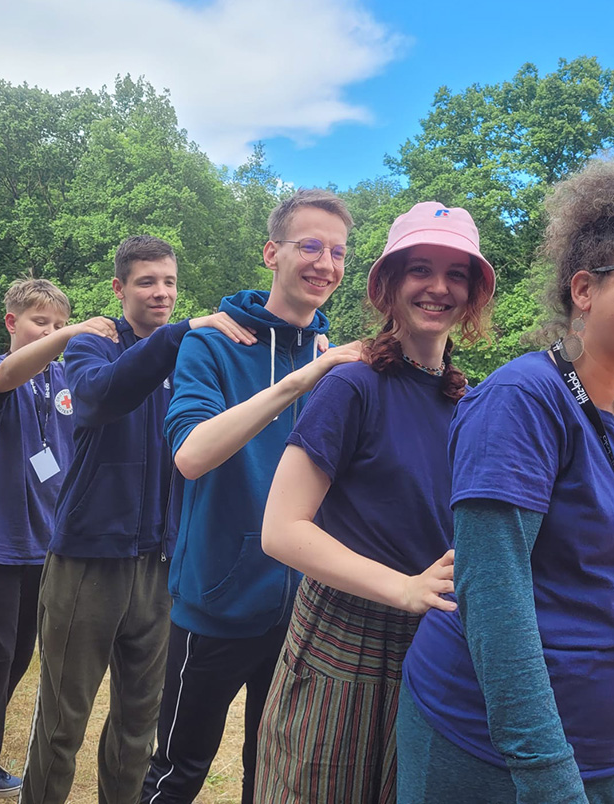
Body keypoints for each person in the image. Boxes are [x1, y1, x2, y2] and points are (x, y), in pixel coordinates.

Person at [398, 158, 614, 804]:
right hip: (489, 760)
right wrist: (550, 780)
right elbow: (494, 600)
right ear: (584, 289)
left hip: (608, 759)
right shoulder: (521, 402)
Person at [253, 201, 495, 803]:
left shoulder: (467, 401)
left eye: (457, 274)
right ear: (387, 284)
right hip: (344, 640)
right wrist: (403, 588)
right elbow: (281, 529)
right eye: (420, 269)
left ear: (473, 294)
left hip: (434, 646)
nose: (438, 287)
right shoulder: (352, 384)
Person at [140, 189, 360, 804]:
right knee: (177, 773)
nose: (325, 264)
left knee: (273, 774)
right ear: (271, 253)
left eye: (338, 252)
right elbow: (191, 455)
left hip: (303, 613)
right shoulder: (211, 345)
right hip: (216, 604)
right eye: (310, 246)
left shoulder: (338, 361)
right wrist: (299, 381)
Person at [20, 236, 255, 804]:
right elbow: (99, 398)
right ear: (119, 288)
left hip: (161, 566)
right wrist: (179, 335)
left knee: (138, 726)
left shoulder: (193, 355)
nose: (161, 293)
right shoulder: (93, 345)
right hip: (87, 561)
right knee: (62, 723)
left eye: (169, 282)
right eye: (147, 281)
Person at [0, 278, 118, 804]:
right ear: (12, 322)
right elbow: (10, 374)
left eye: (59, 323)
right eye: (41, 322)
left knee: (15, 661)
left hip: (44, 547)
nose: (52, 332)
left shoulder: (65, 380)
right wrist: (72, 334)